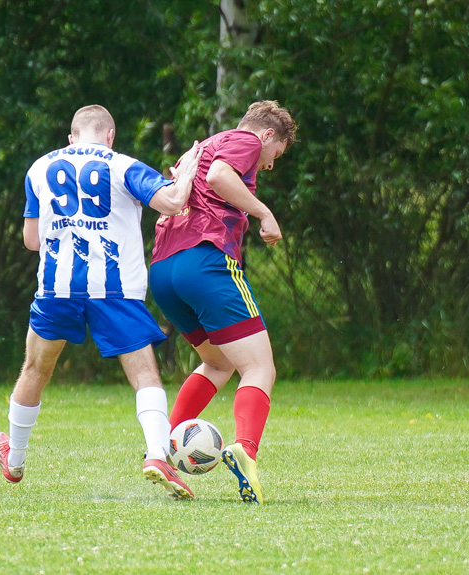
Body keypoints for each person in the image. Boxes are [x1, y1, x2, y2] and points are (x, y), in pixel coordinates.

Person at [0, 104, 202, 500]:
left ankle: (15, 460)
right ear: (110, 135)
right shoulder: (122, 165)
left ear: (70, 138)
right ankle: (157, 455)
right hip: (115, 288)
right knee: (143, 375)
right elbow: (173, 202)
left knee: (36, 368)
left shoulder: (39, 169)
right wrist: (187, 170)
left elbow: (31, 241)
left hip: (57, 288)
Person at [149, 100, 297, 503]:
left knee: (218, 362)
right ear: (267, 135)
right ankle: (245, 450)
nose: (268, 166)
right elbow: (218, 176)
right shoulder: (244, 140)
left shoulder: (196, 150)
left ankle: (159, 452)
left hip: (163, 268)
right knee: (260, 367)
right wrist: (264, 212)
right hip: (205, 259)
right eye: (275, 156)